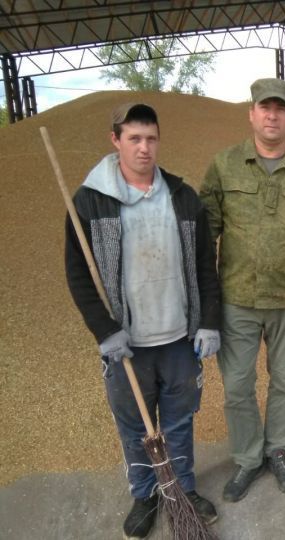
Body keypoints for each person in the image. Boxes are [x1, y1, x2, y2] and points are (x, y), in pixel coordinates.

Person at [65, 103, 221, 539]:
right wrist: (104, 330)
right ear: (115, 140)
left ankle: (182, 490)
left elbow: (206, 266)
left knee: (178, 421)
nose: (144, 147)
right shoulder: (90, 201)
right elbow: (79, 274)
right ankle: (145, 494)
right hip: (127, 343)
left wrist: (208, 321)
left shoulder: (182, 198)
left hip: (177, 338)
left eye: (150, 138)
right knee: (134, 426)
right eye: (134, 138)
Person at [199, 78, 285, 502]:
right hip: (236, 299)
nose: (272, 115)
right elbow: (206, 236)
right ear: (252, 113)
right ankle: (246, 458)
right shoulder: (224, 166)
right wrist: (205, 298)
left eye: (280, 108)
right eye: (265, 108)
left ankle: (277, 449)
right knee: (238, 385)